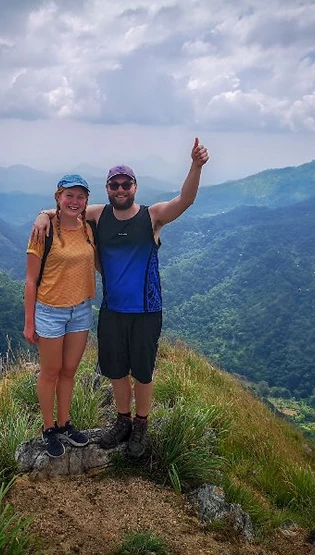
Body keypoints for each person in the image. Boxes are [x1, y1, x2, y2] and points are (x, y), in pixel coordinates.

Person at [32, 138, 209, 457]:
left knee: (142, 371)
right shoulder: (100, 216)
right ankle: (122, 421)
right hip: (112, 310)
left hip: (146, 310)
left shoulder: (151, 217)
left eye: (126, 183)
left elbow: (185, 200)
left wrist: (195, 166)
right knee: (115, 370)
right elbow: (67, 207)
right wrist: (43, 214)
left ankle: (140, 424)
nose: (121, 188)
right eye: (114, 184)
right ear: (108, 188)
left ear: (135, 186)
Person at [24, 174, 97, 457]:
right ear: (58, 197)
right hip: (50, 311)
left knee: (69, 371)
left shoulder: (88, 227)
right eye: (69, 195)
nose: (75, 201)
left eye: (80, 197)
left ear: (86, 201)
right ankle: (48, 428)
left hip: (81, 310)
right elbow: (30, 281)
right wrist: (29, 322)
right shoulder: (43, 232)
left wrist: (45, 212)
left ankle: (65, 423)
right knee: (50, 372)